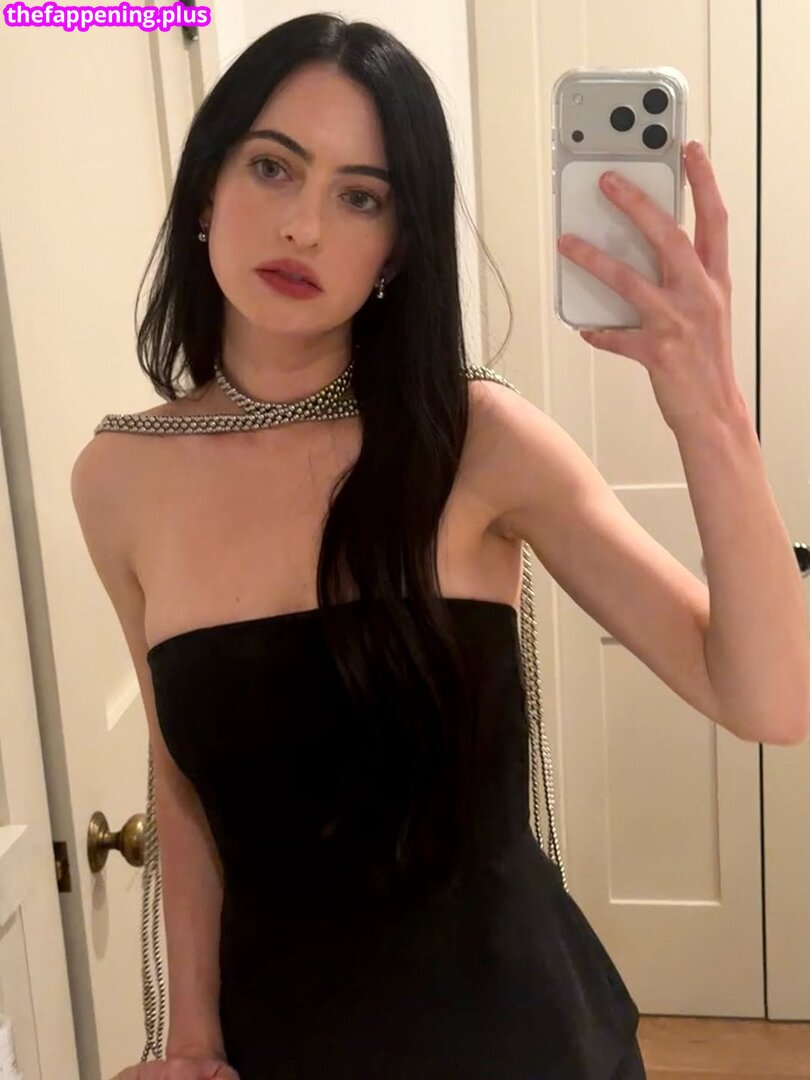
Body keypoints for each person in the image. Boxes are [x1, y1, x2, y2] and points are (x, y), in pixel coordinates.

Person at [72, 13, 648, 1078]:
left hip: (514, 1040)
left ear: (399, 247)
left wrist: (707, 396)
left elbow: (768, 695)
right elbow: (181, 778)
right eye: (272, 167)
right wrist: (190, 1038)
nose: (302, 226)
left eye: (361, 196)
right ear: (206, 190)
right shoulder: (118, 477)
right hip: (279, 1038)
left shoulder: (474, 435)